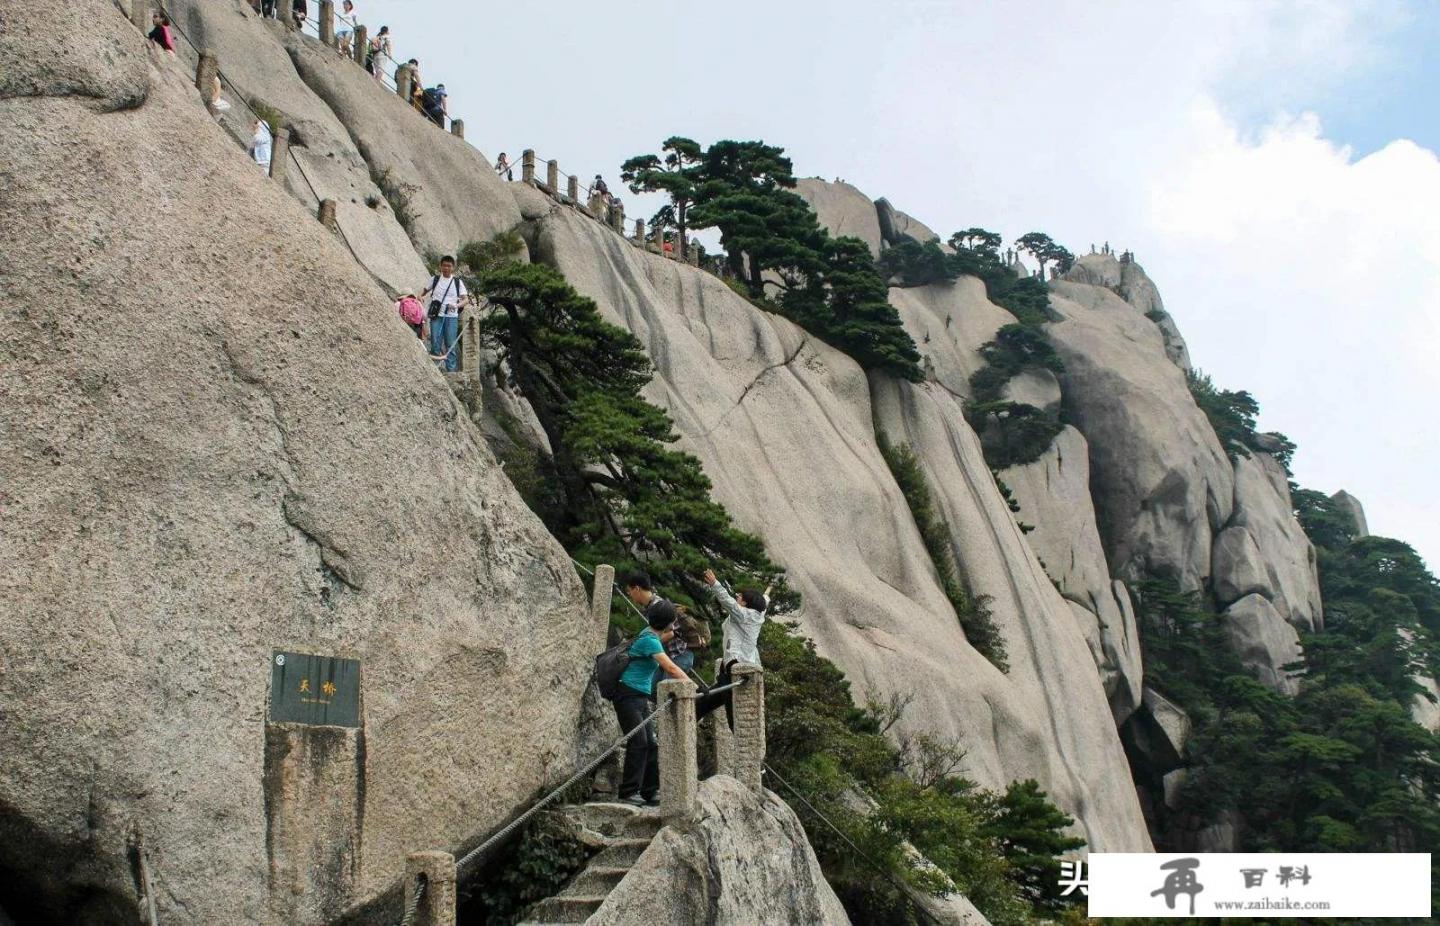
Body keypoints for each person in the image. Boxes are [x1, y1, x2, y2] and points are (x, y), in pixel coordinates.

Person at [613, 605, 687, 806]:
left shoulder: (649, 634)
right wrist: (692, 687)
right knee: (638, 741)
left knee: (651, 743)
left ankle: (649, 790)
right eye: (672, 621)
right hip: (627, 694)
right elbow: (670, 667)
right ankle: (628, 791)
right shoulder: (649, 640)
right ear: (667, 623)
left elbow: (661, 645)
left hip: (639, 696)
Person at [695, 568, 766, 726]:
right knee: (700, 706)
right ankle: (691, 714)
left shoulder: (744, 615)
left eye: (740, 597)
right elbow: (765, 600)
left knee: (735, 718)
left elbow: (728, 602)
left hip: (736, 668)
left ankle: (747, 749)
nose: (737, 597)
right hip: (729, 668)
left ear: (745, 604)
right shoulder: (758, 613)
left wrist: (714, 583)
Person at [622, 571, 692, 674]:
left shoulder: (658, 606)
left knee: (666, 687)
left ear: (637, 589)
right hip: (666, 656)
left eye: (629, 591)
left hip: (678, 655)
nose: (630, 595)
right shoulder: (650, 606)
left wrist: (642, 645)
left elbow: (670, 633)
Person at [420, 257, 467, 372]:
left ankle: (451, 371)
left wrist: (456, 305)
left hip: (451, 317)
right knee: (435, 343)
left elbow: (465, 300)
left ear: (453, 268)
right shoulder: (435, 279)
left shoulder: (457, 282)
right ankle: (434, 370)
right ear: (440, 266)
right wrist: (420, 296)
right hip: (436, 316)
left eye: (449, 266)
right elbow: (424, 291)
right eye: (444, 265)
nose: (446, 268)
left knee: (450, 344)